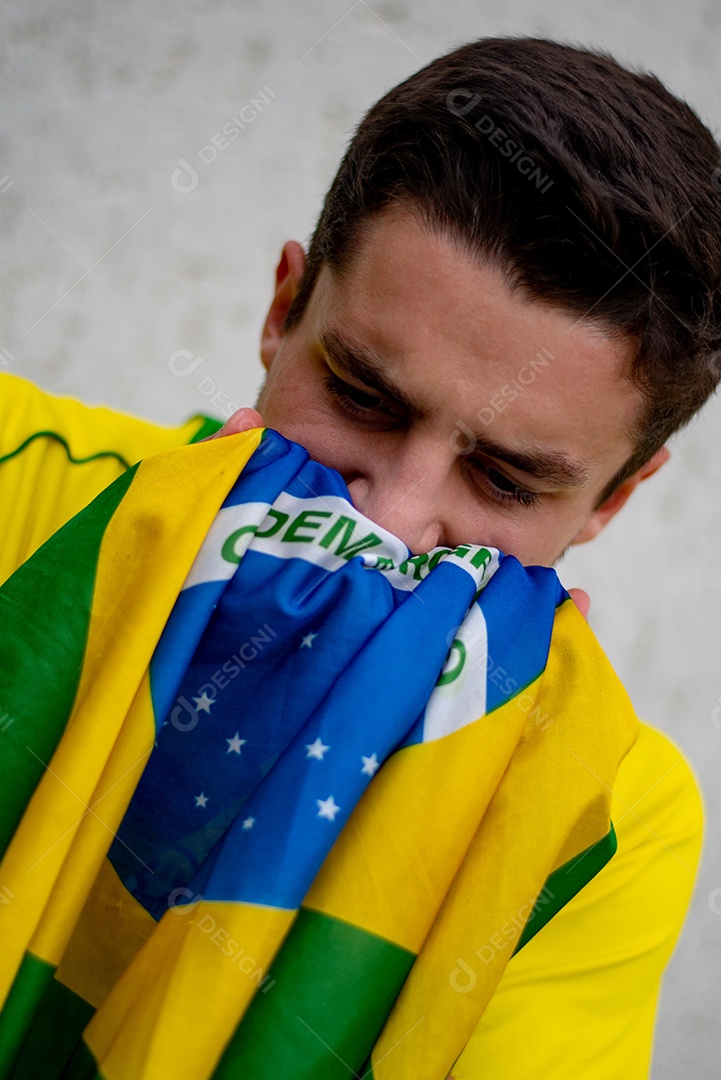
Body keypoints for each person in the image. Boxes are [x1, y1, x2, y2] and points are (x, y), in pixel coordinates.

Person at [0, 35, 710, 1078]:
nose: (394, 520)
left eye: (505, 481)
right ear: (284, 308)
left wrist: (486, 774)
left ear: (611, 499)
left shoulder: (601, 811)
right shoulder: (20, 482)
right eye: (362, 398)